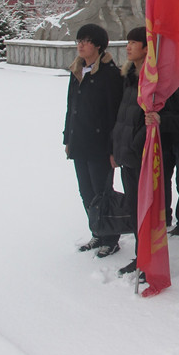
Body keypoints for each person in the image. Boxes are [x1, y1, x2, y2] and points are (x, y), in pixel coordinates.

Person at [63, 23, 123, 257]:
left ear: (98, 45)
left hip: (100, 146)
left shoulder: (110, 74)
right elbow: (71, 107)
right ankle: (97, 231)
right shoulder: (77, 70)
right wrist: (68, 138)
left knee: (102, 193)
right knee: (86, 192)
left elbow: (113, 114)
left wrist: (113, 149)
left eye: (86, 41)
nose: (81, 45)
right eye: (79, 40)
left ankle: (111, 238)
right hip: (80, 142)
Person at [111, 27, 148, 278]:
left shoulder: (151, 78)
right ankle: (140, 255)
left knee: (145, 210)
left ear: (146, 48)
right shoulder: (129, 76)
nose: (128, 47)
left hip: (142, 155)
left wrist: (135, 144)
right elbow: (123, 116)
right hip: (127, 154)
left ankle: (148, 258)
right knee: (134, 208)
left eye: (134, 42)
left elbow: (150, 118)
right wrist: (117, 147)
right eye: (128, 42)